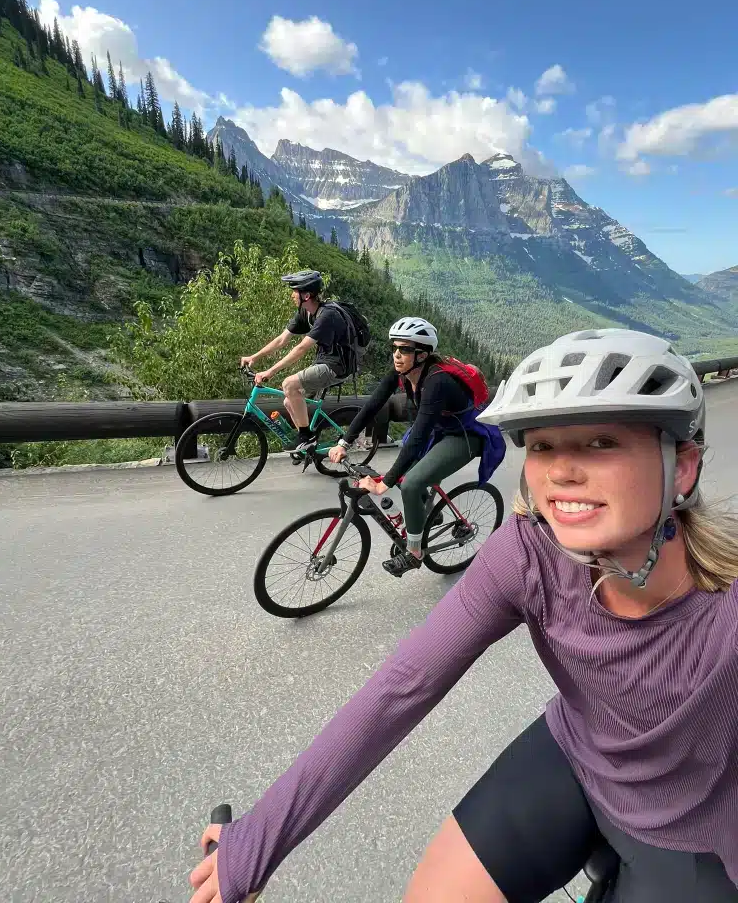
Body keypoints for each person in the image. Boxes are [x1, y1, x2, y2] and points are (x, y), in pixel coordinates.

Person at [189, 329, 738, 903]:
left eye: (601, 442)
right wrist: (258, 841)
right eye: (542, 446)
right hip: (577, 754)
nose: (560, 472)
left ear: (681, 468)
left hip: (697, 825)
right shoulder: (527, 553)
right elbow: (402, 685)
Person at [327, 316, 506, 576]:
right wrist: (345, 441)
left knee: (410, 482)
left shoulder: (436, 382)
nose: (397, 355)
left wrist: (383, 483)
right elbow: (372, 405)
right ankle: (428, 514)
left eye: (405, 349)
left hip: (465, 434)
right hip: (438, 429)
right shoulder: (402, 372)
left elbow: (419, 437)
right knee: (406, 477)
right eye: (395, 348)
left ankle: (414, 552)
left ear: (422, 355)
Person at [239, 270, 351, 450]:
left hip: (337, 366)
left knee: (289, 384)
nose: (292, 295)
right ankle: (306, 445)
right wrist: (254, 357)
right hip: (323, 362)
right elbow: (281, 340)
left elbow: (301, 348)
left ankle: (307, 437)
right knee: (288, 400)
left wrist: (270, 372)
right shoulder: (305, 313)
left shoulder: (327, 315)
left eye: (295, 291)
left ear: (306, 295)